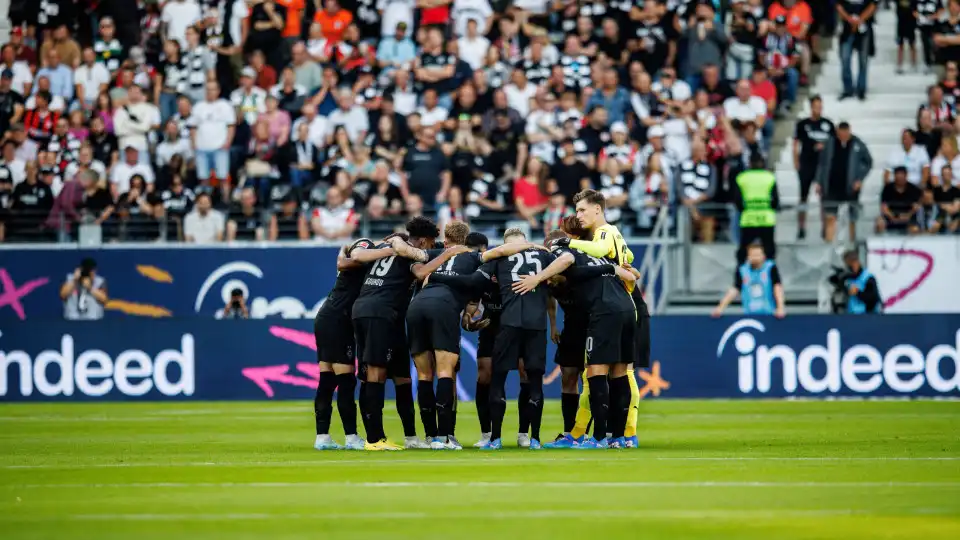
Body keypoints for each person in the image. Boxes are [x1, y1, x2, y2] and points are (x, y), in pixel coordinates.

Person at [408, 221, 551, 449]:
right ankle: (480, 435)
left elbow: (472, 292)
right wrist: (469, 314)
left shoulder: (440, 256)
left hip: (513, 322)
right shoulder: (486, 261)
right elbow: (475, 291)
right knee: (484, 374)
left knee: (428, 373)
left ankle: (524, 433)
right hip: (494, 327)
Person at [349, 217, 466, 450]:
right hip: (380, 312)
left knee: (401, 376)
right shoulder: (408, 252)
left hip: (374, 312)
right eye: (431, 243)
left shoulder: (386, 245)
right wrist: (448, 254)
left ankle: (411, 437)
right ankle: (374, 439)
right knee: (375, 373)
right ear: (423, 240)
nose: (432, 248)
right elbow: (422, 272)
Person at [313, 237, 396, 450]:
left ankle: (322, 437)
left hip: (327, 316)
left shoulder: (360, 260)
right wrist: (388, 251)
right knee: (346, 380)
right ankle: (351, 436)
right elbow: (345, 261)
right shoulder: (365, 251)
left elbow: (343, 260)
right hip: (338, 319)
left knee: (327, 379)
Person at [817, 122, 873, 242]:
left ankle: (852, 244)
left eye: (845, 133)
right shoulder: (830, 143)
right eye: (840, 133)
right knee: (830, 217)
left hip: (850, 187)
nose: (843, 136)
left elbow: (868, 162)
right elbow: (821, 163)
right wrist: (818, 181)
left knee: (851, 218)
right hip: (832, 186)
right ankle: (829, 245)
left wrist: (859, 179)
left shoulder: (857, 143)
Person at [793, 95, 836, 239]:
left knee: (823, 198)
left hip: (822, 166)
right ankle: (801, 227)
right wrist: (796, 161)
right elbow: (795, 143)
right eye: (816, 106)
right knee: (803, 196)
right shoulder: (802, 124)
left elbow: (833, 145)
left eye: (820, 106)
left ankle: (824, 228)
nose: (818, 109)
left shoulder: (828, 124)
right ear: (811, 107)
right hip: (806, 164)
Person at [712, 242, 787, 318]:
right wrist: (720, 307)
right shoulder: (742, 269)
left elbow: (777, 287)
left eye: (758, 255)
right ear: (748, 256)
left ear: (763, 256)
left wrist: (780, 308)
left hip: (769, 313)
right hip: (749, 314)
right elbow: (735, 289)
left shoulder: (770, 267)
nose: (755, 258)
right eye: (753, 255)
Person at [732, 153, 779, 264]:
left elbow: (737, 201)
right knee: (769, 251)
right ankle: (770, 275)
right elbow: (775, 201)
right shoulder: (770, 177)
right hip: (766, 219)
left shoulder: (742, 178)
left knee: (743, 251)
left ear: (750, 163)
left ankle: (741, 275)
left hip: (748, 219)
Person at [837, 0, 878, 101]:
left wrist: (860, 20)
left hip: (864, 29)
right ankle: (848, 89)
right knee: (845, 58)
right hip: (847, 29)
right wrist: (849, 19)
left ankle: (861, 89)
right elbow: (838, 5)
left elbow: (873, 5)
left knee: (863, 61)